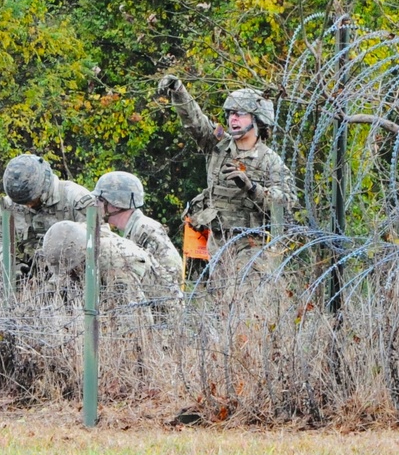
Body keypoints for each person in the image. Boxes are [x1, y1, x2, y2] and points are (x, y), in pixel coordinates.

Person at [157, 77, 297, 283]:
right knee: (218, 301)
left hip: (250, 245)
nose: (233, 119)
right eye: (231, 114)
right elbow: (195, 121)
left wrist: (252, 188)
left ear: (257, 119)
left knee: (245, 302)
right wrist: (178, 91)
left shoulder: (269, 161)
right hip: (216, 240)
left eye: (240, 114)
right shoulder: (219, 144)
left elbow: (287, 201)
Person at [0, 154, 95, 284]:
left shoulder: (76, 198)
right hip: (30, 282)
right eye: (23, 203)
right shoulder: (10, 205)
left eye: (32, 200)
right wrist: (10, 267)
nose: (28, 206)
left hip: (72, 278)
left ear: (45, 185)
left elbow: (97, 237)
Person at [92, 171, 183, 299]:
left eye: (100, 200)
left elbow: (170, 280)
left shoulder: (146, 229)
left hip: (162, 307)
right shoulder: (132, 229)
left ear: (115, 205)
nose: (96, 204)